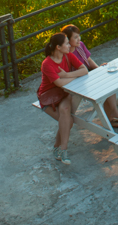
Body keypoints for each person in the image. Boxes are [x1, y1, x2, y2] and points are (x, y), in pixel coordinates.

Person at [60, 25, 118, 129]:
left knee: (109, 81)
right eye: (75, 37)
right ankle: (113, 114)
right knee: (105, 87)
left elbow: (89, 60)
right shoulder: (65, 54)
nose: (79, 39)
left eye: (79, 36)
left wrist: (99, 69)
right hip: (77, 82)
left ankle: (112, 114)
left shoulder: (80, 46)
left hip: (87, 75)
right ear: (67, 40)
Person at [37, 32, 88, 165]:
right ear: (58, 47)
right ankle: (56, 147)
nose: (69, 45)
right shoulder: (47, 64)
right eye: (66, 43)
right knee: (68, 122)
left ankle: (63, 150)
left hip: (64, 93)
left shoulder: (68, 56)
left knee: (66, 112)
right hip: (48, 97)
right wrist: (73, 77)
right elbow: (58, 83)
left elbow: (84, 70)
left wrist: (67, 75)